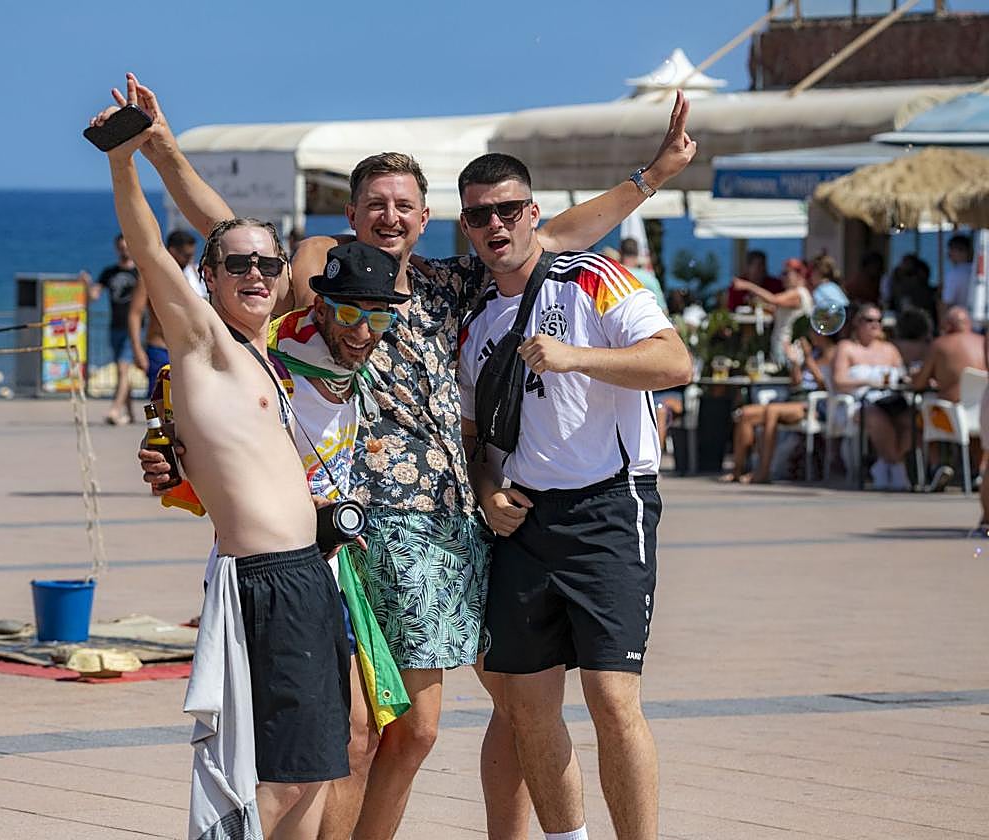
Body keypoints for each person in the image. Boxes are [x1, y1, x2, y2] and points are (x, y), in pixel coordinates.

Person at [116, 71, 695, 839]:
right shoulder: (328, 281)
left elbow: (553, 233)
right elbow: (233, 239)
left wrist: (650, 178)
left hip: (467, 527)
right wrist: (163, 153)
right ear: (352, 214)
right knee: (407, 726)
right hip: (378, 529)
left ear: (427, 219)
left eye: (403, 205)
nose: (389, 217)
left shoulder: (450, 284)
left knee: (514, 699)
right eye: (375, 204)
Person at [90, 80, 351, 839]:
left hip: (309, 571)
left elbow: (237, 232)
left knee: (314, 772)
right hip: (267, 583)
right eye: (237, 265)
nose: (258, 276)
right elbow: (147, 251)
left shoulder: (268, 356)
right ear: (207, 279)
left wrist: (166, 146)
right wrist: (124, 164)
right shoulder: (203, 346)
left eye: (268, 264)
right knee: (268, 784)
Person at [457, 152, 692, 840]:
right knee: (526, 705)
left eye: (508, 209)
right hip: (523, 521)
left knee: (612, 698)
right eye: (479, 215)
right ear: (466, 227)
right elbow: (475, 436)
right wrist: (487, 490)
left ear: (534, 214)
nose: (496, 224)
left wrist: (578, 357)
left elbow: (674, 362)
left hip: (609, 508)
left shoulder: (592, 277)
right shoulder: (474, 322)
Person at [140, 241, 408, 840]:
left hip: (356, 563)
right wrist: (168, 454)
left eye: (379, 312)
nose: (363, 327)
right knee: (307, 755)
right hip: (279, 569)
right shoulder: (277, 351)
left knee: (353, 744)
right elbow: (191, 395)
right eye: (346, 310)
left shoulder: (403, 347)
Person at [722, 323, 834, 484]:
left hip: (814, 404)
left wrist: (808, 359)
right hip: (795, 399)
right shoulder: (815, 353)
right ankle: (737, 471)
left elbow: (826, 386)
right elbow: (796, 383)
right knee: (745, 413)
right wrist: (795, 363)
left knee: (772, 410)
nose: (811, 335)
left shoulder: (833, 354)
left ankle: (763, 471)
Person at [832, 303, 909, 490]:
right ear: (857, 323)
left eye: (879, 320)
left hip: (890, 400)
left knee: (913, 420)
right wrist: (867, 382)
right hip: (859, 403)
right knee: (877, 418)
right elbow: (839, 381)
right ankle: (896, 465)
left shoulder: (890, 349)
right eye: (869, 320)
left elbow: (903, 376)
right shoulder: (847, 348)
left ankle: (887, 464)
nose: (875, 325)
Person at [911, 305, 985, 491]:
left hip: (951, 416)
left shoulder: (940, 344)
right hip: (982, 414)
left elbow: (919, 383)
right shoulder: (983, 342)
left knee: (924, 413)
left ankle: (937, 465)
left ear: (948, 324)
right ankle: (979, 470)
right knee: (976, 430)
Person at [128, 230, 206, 399]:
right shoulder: (150, 276)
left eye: (192, 255)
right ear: (172, 251)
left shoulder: (191, 275)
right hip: (160, 348)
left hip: (188, 350)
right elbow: (135, 313)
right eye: (186, 255)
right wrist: (137, 350)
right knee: (160, 408)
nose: (189, 259)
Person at [88, 233, 139, 424]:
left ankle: (115, 410)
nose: (124, 250)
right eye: (121, 247)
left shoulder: (140, 273)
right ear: (117, 248)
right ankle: (131, 413)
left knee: (122, 369)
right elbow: (94, 296)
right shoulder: (109, 272)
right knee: (123, 372)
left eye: (127, 246)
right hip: (114, 327)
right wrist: (87, 285)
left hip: (133, 328)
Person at [732, 256, 812, 366]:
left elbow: (774, 299)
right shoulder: (800, 293)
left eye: (786, 273)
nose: (782, 277)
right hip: (784, 345)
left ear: (798, 275)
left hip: (789, 348)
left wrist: (748, 285)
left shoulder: (798, 293)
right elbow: (778, 308)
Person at [619, 237, 668, 313]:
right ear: (638, 253)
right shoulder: (648, 278)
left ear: (620, 252)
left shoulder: (610, 275)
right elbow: (663, 310)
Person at [940, 234, 974, 319]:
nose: (949, 255)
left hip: (961, 323)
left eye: (951, 250)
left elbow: (947, 303)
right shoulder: (980, 272)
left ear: (962, 251)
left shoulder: (954, 274)